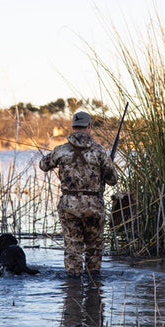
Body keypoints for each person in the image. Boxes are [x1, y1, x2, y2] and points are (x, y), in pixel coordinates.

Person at [39, 111, 118, 277]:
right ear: (89, 127)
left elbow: (43, 165)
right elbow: (113, 180)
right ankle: (94, 290)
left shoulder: (61, 150)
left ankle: (72, 290)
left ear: (73, 127)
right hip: (94, 206)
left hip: (69, 205)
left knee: (73, 248)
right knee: (94, 249)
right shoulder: (100, 152)